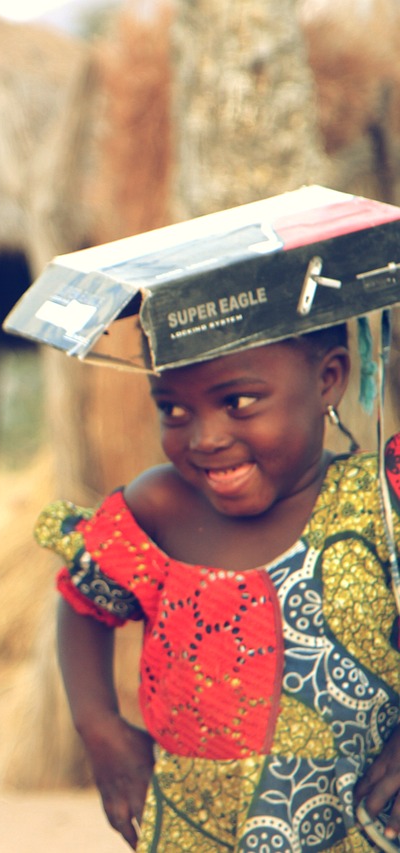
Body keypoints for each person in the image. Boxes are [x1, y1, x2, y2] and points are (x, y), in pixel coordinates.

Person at [34, 324, 400, 851]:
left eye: (239, 401)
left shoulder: (381, 504)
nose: (205, 438)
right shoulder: (159, 509)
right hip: (195, 830)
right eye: (174, 410)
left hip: (363, 826)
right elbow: (84, 598)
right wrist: (98, 726)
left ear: (328, 379)